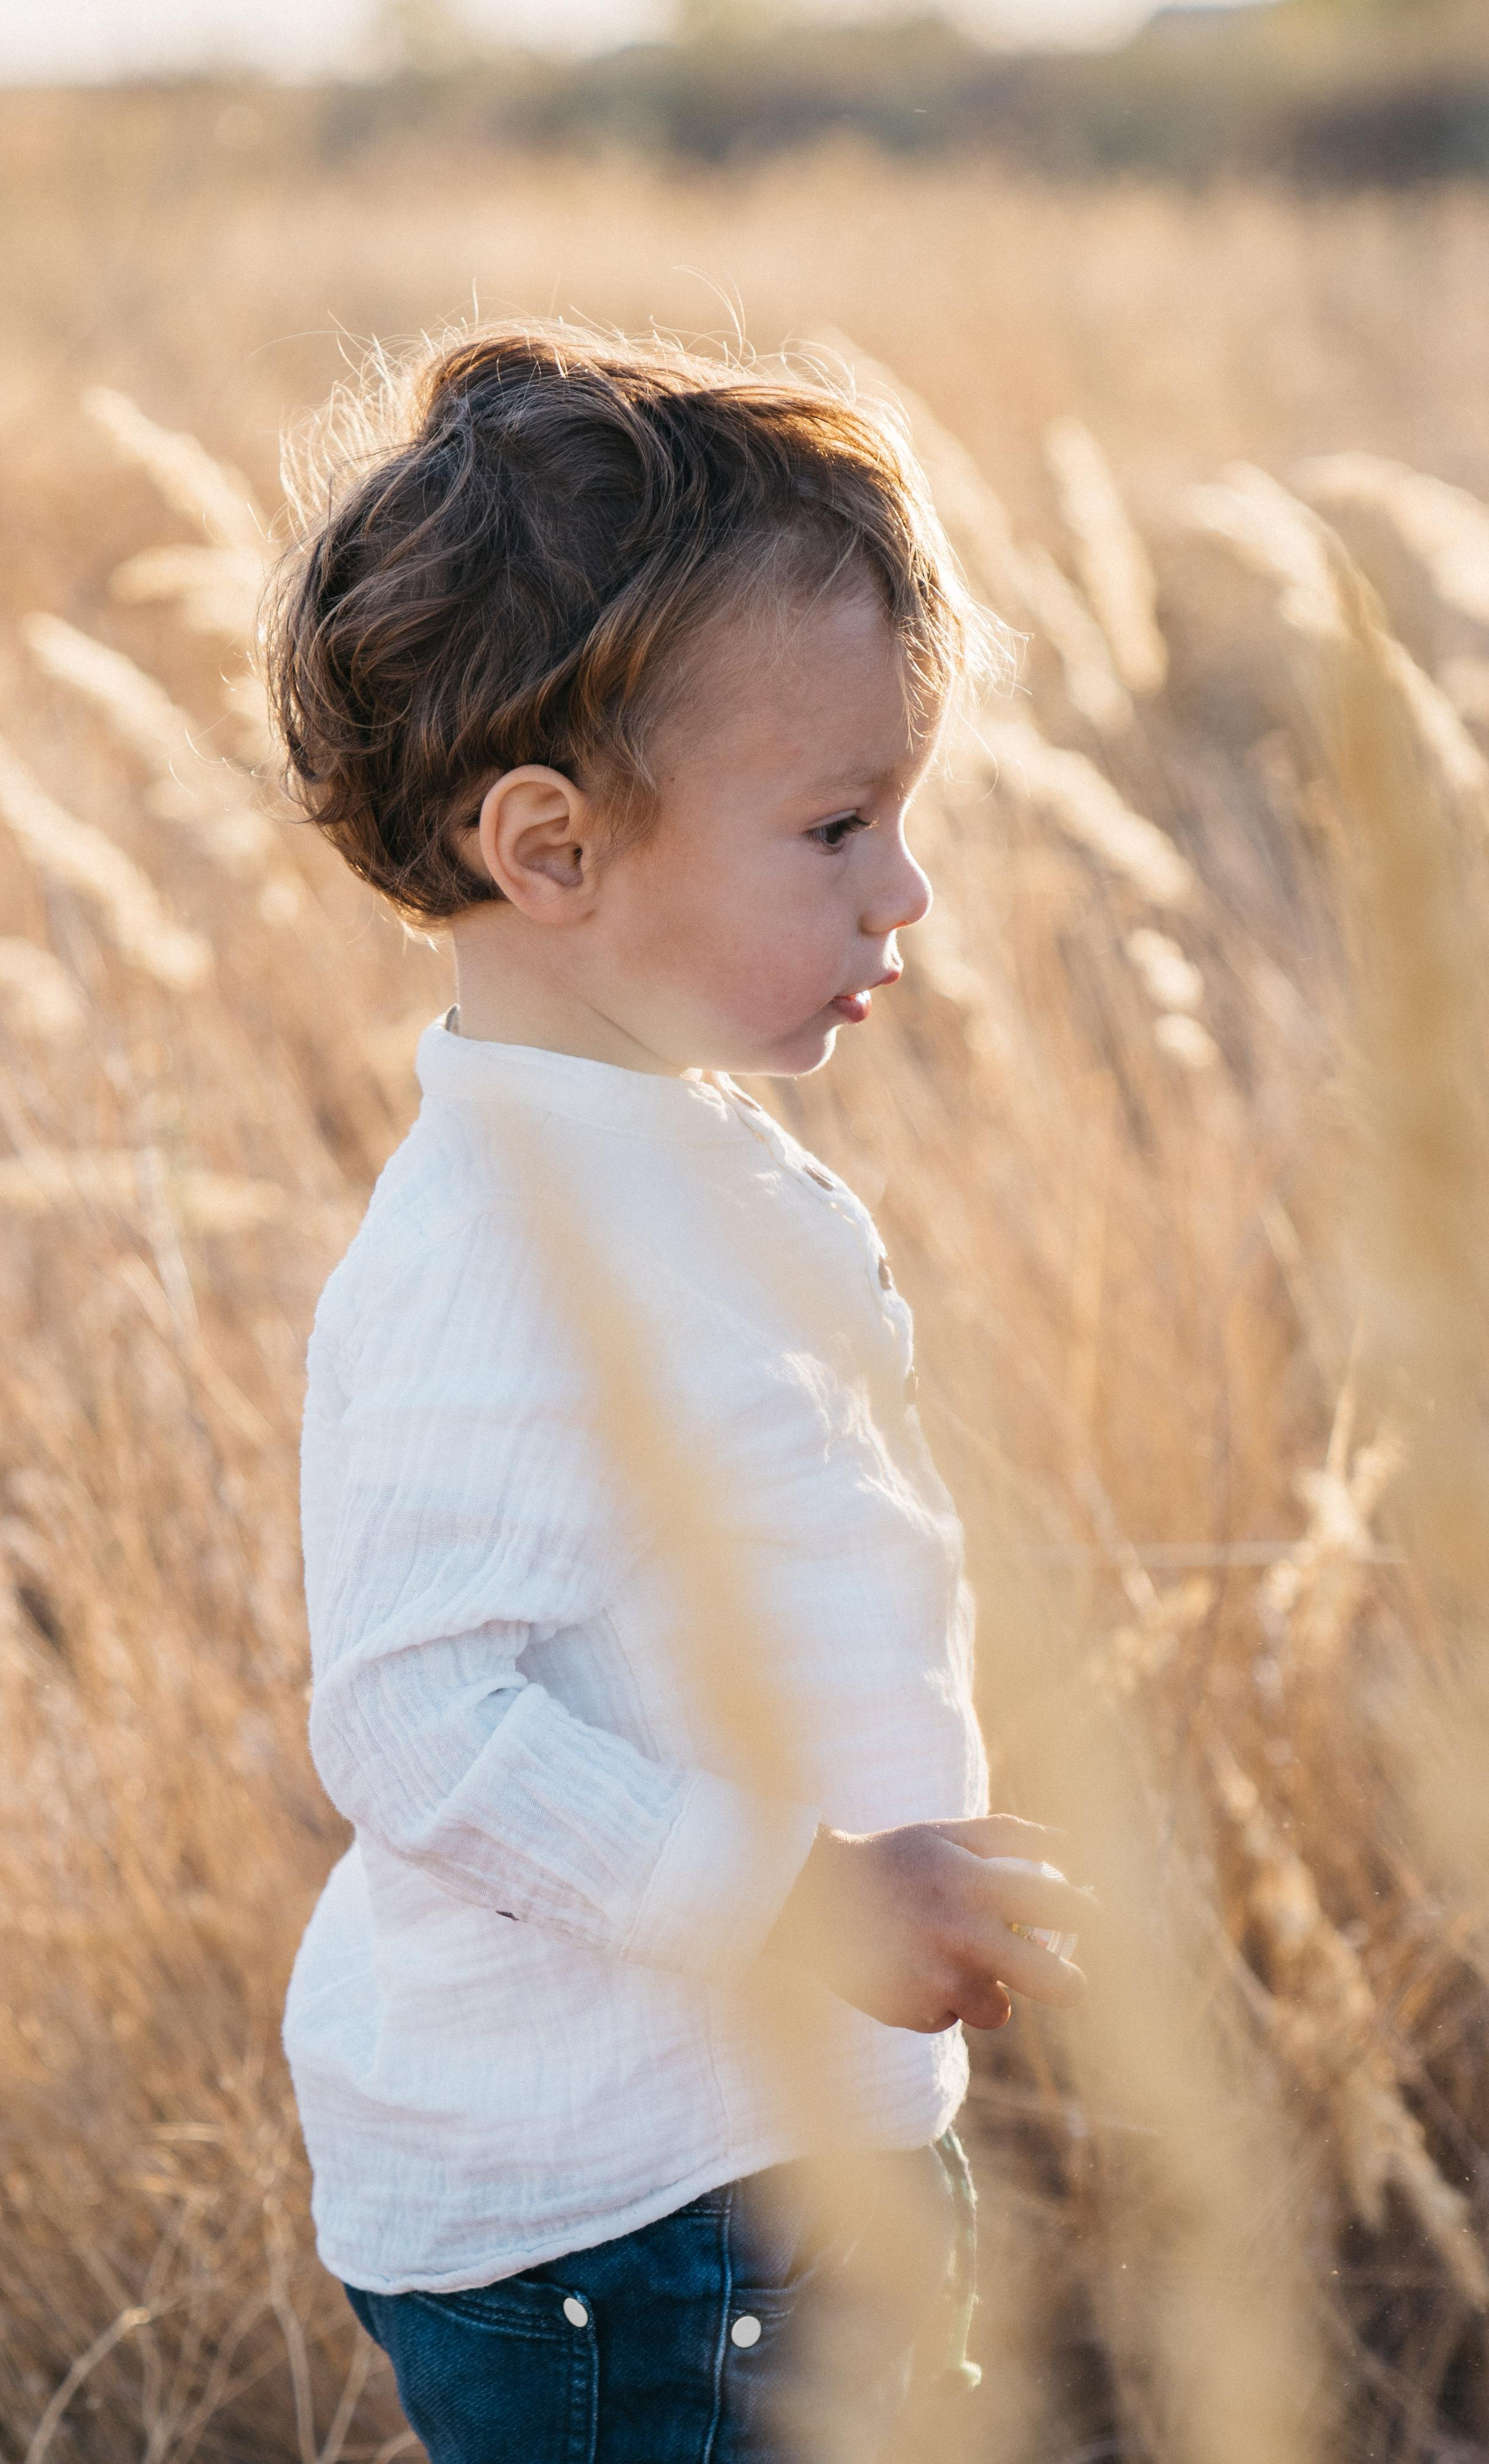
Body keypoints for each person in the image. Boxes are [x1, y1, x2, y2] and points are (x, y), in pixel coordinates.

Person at [265, 320, 1094, 2464]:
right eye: (837, 823)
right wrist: (806, 1898)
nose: (904, 889)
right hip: (634, 2233)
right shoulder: (503, 1251)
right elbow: (415, 1717)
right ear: (548, 851)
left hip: (775, 2141)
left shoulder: (663, 1146)